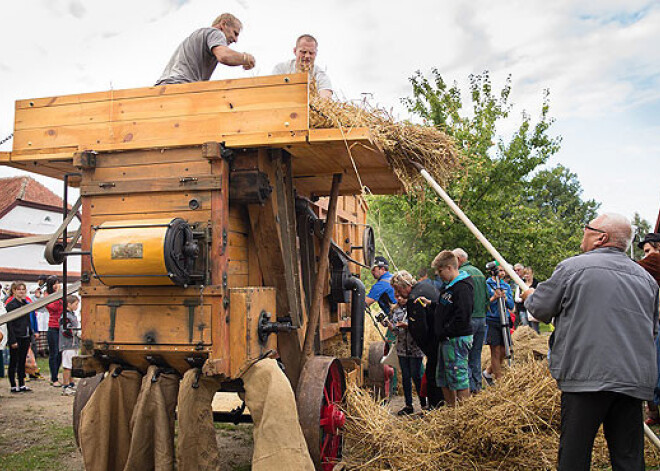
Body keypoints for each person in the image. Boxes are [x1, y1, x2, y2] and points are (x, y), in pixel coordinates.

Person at [523, 213, 659, 471]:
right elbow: (651, 330)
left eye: (587, 228)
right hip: (631, 381)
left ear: (601, 237)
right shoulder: (646, 280)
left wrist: (530, 294)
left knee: (575, 455)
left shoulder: (572, 268)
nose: (583, 233)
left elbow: (540, 309)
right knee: (629, 458)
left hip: (585, 378)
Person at [390, 270, 443, 408]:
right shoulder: (425, 287)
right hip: (441, 335)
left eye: (397, 290)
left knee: (431, 376)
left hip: (432, 342)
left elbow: (420, 329)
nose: (398, 294)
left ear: (403, 286)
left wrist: (425, 348)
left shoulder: (414, 298)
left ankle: (434, 407)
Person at [156, 13, 255, 86]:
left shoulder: (199, 36)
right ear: (224, 24)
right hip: (180, 87)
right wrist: (245, 58)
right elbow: (224, 56)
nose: (235, 40)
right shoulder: (216, 33)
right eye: (235, 33)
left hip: (163, 88)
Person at [431, 251, 474, 406]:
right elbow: (447, 307)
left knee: (459, 378)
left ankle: (464, 414)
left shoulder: (463, 287)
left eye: (440, 271)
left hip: (456, 339)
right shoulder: (448, 287)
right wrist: (432, 305)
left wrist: (446, 331)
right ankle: (451, 411)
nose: (439, 274)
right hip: (446, 339)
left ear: (449, 267)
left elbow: (462, 316)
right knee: (443, 378)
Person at [452, 248, 488, 393]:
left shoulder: (461, 275)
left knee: (463, 357)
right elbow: (487, 298)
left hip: (469, 320)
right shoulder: (479, 273)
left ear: (459, 259)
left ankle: (469, 390)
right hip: (481, 319)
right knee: (476, 355)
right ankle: (478, 386)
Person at [386, 291, 426, 415]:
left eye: (402, 296)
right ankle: (408, 405)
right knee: (405, 377)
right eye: (397, 297)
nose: (399, 299)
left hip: (415, 348)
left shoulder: (416, 307)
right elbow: (396, 332)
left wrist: (408, 326)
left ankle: (424, 404)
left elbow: (421, 327)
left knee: (416, 375)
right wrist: (390, 326)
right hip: (402, 348)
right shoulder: (395, 311)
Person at [273, 34, 333, 98]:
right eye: (303, 52)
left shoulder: (320, 75)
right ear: (295, 51)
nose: (307, 56)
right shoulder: (281, 69)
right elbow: (272, 91)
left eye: (311, 53)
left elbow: (326, 97)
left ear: (316, 53)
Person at [482, 265, 513, 384]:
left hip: (505, 319)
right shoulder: (487, 284)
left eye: (504, 270)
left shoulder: (506, 286)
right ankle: (499, 381)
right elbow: (485, 303)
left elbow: (511, 305)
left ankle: (488, 372)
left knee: (505, 351)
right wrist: (494, 297)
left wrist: (504, 297)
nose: (502, 272)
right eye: (500, 270)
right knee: (495, 350)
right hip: (492, 320)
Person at [5, 281, 34, 393]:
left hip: (25, 335)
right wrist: (12, 340)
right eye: (19, 289)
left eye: (23, 289)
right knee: (14, 361)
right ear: (14, 291)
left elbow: (28, 321)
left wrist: (30, 334)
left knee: (22, 361)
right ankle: (13, 385)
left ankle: (22, 383)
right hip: (16, 336)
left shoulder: (26, 304)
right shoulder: (11, 305)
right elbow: (9, 324)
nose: (21, 292)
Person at [60, 295, 81, 396]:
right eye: (76, 304)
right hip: (68, 344)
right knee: (67, 365)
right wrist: (76, 333)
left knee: (72, 365)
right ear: (69, 304)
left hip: (74, 343)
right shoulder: (65, 316)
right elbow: (65, 330)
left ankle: (71, 383)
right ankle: (65, 385)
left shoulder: (73, 315)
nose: (77, 306)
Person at [45, 276, 63, 386]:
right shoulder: (47, 296)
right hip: (53, 327)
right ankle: (54, 377)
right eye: (54, 283)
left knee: (60, 353)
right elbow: (53, 307)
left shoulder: (61, 294)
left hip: (61, 326)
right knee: (54, 353)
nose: (56, 285)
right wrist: (57, 295)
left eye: (57, 283)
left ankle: (56, 375)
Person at [521, 267, 540, 333]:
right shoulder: (521, 283)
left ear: (532, 274)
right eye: (525, 274)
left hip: (533, 309)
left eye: (528, 274)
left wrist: (525, 295)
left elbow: (538, 296)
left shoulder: (537, 284)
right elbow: (518, 298)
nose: (527, 276)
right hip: (523, 308)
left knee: (534, 329)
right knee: (525, 328)